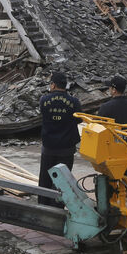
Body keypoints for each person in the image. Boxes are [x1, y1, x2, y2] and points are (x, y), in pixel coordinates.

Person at [37, 71, 81, 206]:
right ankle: (58, 208)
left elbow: (43, 115)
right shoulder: (74, 102)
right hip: (66, 148)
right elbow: (79, 119)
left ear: (54, 85)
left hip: (49, 147)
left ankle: (43, 205)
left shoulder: (44, 100)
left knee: (45, 179)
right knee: (63, 180)